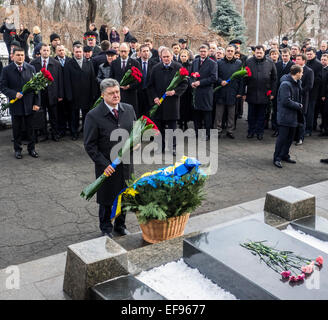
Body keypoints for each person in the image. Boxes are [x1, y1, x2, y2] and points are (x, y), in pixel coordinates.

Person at [84, 78, 135, 237]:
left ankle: (120, 225)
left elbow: (134, 133)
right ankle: (106, 228)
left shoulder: (129, 109)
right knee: (107, 198)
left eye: (117, 92)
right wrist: (104, 164)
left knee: (125, 196)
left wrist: (136, 143)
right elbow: (90, 145)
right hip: (107, 165)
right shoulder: (94, 115)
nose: (116, 95)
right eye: (111, 93)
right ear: (102, 95)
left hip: (126, 164)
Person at [0, 47, 41, 159]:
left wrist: (37, 102)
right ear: (12, 56)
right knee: (17, 130)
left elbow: (36, 87)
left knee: (30, 129)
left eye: (22, 55)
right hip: (16, 104)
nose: (20, 57)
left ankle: (31, 149)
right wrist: (14, 94)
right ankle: (17, 150)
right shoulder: (6, 70)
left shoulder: (31, 68)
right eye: (18, 55)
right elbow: (3, 87)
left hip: (29, 104)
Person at [148, 47, 188, 154]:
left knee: (172, 127)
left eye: (168, 57)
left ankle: (172, 147)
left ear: (172, 56)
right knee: (158, 125)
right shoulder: (156, 68)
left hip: (172, 102)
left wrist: (175, 91)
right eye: (164, 57)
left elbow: (184, 84)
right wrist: (155, 97)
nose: (166, 59)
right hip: (159, 102)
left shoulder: (178, 67)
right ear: (161, 57)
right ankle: (159, 146)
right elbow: (150, 86)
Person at [30, 43, 64, 142]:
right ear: (40, 51)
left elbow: (60, 80)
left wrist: (60, 94)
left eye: (47, 50)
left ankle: (55, 133)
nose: (46, 52)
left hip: (52, 93)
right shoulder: (34, 63)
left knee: (54, 115)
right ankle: (44, 134)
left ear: (50, 51)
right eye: (44, 50)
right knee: (42, 115)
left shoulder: (56, 63)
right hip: (40, 94)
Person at [64, 44, 97, 140]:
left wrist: (93, 93)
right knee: (74, 116)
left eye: (80, 52)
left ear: (83, 52)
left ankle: (86, 133)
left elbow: (92, 79)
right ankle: (74, 133)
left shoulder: (88, 63)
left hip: (86, 95)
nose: (78, 54)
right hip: (74, 95)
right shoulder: (69, 63)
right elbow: (67, 80)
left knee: (87, 115)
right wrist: (68, 95)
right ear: (73, 52)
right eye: (76, 52)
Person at [244, 45, 277, 140]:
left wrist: (272, 93)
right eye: (257, 53)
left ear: (264, 52)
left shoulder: (270, 62)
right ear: (254, 52)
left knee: (261, 115)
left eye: (260, 53)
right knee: (251, 115)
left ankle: (260, 132)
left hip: (265, 93)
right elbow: (244, 77)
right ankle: (251, 131)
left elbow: (274, 79)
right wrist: (243, 93)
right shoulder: (248, 62)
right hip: (251, 93)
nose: (258, 54)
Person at [273, 65, 303, 168]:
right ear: (297, 73)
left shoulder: (297, 83)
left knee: (290, 138)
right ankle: (276, 158)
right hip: (285, 116)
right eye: (301, 72)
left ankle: (284, 155)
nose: (302, 74)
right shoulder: (285, 84)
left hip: (293, 116)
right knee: (282, 138)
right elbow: (286, 101)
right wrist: (298, 105)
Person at [214, 45, 242, 139]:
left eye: (231, 51)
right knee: (219, 113)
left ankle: (230, 130)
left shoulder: (238, 63)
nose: (230, 52)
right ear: (225, 52)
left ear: (234, 52)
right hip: (221, 90)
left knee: (231, 114)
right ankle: (218, 130)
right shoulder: (218, 62)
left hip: (233, 91)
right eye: (228, 51)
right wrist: (220, 81)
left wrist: (240, 92)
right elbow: (215, 76)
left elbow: (241, 79)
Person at [191, 44, 218, 141]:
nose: (202, 53)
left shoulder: (212, 63)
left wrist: (200, 82)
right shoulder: (194, 62)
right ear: (199, 51)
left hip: (206, 92)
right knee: (196, 113)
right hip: (196, 92)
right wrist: (191, 83)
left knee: (207, 114)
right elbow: (190, 75)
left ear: (208, 52)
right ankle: (197, 132)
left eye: (204, 51)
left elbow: (213, 78)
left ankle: (207, 134)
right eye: (201, 51)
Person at [110, 42, 141, 117]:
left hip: (131, 95)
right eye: (121, 51)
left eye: (125, 51)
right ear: (118, 51)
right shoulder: (114, 63)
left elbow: (139, 79)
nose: (123, 53)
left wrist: (130, 86)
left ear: (129, 51)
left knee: (131, 116)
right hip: (118, 95)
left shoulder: (135, 63)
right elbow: (111, 78)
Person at [271, 48, 294, 135]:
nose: (284, 57)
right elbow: (274, 79)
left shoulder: (293, 65)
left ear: (290, 55)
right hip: (277, 92)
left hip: (288, 92)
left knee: (286, 111)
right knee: (276, 110)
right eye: (283, 55)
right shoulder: (277, 65)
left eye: (286, 55)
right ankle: (276, 128)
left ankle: (285, 130)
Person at [294, 54, 314, 145]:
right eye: (296, 59)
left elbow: (309, 86)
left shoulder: (309, 71)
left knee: (302, 119)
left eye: (298, 59)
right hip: (293, 97)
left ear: (304, 61)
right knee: (294, 118)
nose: (296, 60)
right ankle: (294, 136)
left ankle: (300, 138)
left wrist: (299, 91)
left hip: (303, 97)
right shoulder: (293, 69)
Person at [55, 44, 73, 138]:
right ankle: (61, 130)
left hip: (69, 90)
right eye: (59, 50)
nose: (61, 52)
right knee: (60, 113)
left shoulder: (70, 61)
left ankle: (71, 129)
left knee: (70, 112)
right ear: (56, 52)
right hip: (59, 92)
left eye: (62, 50)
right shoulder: (54, 61)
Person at [305, 47, 322, 136]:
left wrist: (309, 80)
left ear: (315, 54)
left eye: (310, 54)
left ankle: (308, 130)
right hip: (305, 91)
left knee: (310, 112)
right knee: (305, 111)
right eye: (307, 54)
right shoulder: (306, 62)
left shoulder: (318, 64)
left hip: (313, 92)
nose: (309, 56)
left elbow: (319, 79)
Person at [136, 44, 157, 116]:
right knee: (139, 113)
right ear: (140, 53)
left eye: (147, 51)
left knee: (149, 114)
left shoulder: (154, 64)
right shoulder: (136, 63)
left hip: (149, 93)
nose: (146, 53)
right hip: (138, 92)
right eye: (144, 51)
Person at [178, 49, 193, 131]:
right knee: (180, 107)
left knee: (186, 107)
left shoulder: (190, 65)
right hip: (179, 90)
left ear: (188, 57)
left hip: (187, 90)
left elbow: (192, 75)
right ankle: (180, 122)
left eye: (185, 56)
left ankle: (186, 122)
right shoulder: (177, 65)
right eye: (182, 56)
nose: (183, 58)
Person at [318, 54, 328, 136]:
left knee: (326, 113)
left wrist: (324, 95)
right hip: (319, 94)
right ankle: (323, 127)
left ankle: (326, 130)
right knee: (322, 113)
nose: (323, 61)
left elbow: (326, 85)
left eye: (325, 60)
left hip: (325, 95)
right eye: (322, 59)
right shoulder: (320, 69)